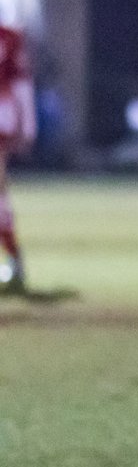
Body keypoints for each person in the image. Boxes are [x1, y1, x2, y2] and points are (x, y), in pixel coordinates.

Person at [0, 24, 36, 295]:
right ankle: (15, 260)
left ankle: (15, 260)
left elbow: (20, 81)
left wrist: (28, 127)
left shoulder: (10, 37)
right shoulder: (10, 37)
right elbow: (21, 83)